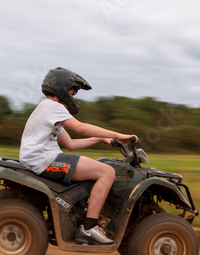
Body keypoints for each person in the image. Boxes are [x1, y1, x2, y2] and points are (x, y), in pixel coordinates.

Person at [19, 67, 136, 245]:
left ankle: (81, 216)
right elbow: (80, 128)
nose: (73, 97)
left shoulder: (47, 109)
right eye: (73, 92)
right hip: (45, 161)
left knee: (97, 170)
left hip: (43, 159)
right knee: (107, 172)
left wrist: (101, 138)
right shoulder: (53, 107)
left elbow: (71, 144)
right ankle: (89, 228)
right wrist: (120, 135)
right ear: (62, 89)